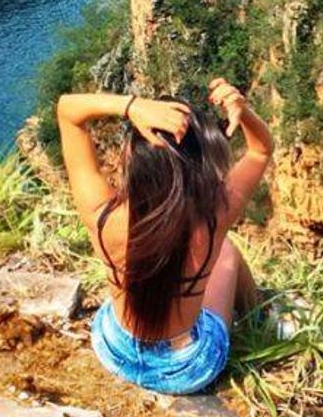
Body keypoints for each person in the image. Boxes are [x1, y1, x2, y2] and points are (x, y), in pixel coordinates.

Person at [56, 77, 274, 395]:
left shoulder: (102, 215)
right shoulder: (215, 219)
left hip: (116, 351)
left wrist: (132, 107)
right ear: (199, 171)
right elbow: (260, 151)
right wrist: (244, 112)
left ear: (133, 158)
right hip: (187, 370)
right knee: (226, 251)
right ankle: (260, 315)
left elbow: (68, 109)